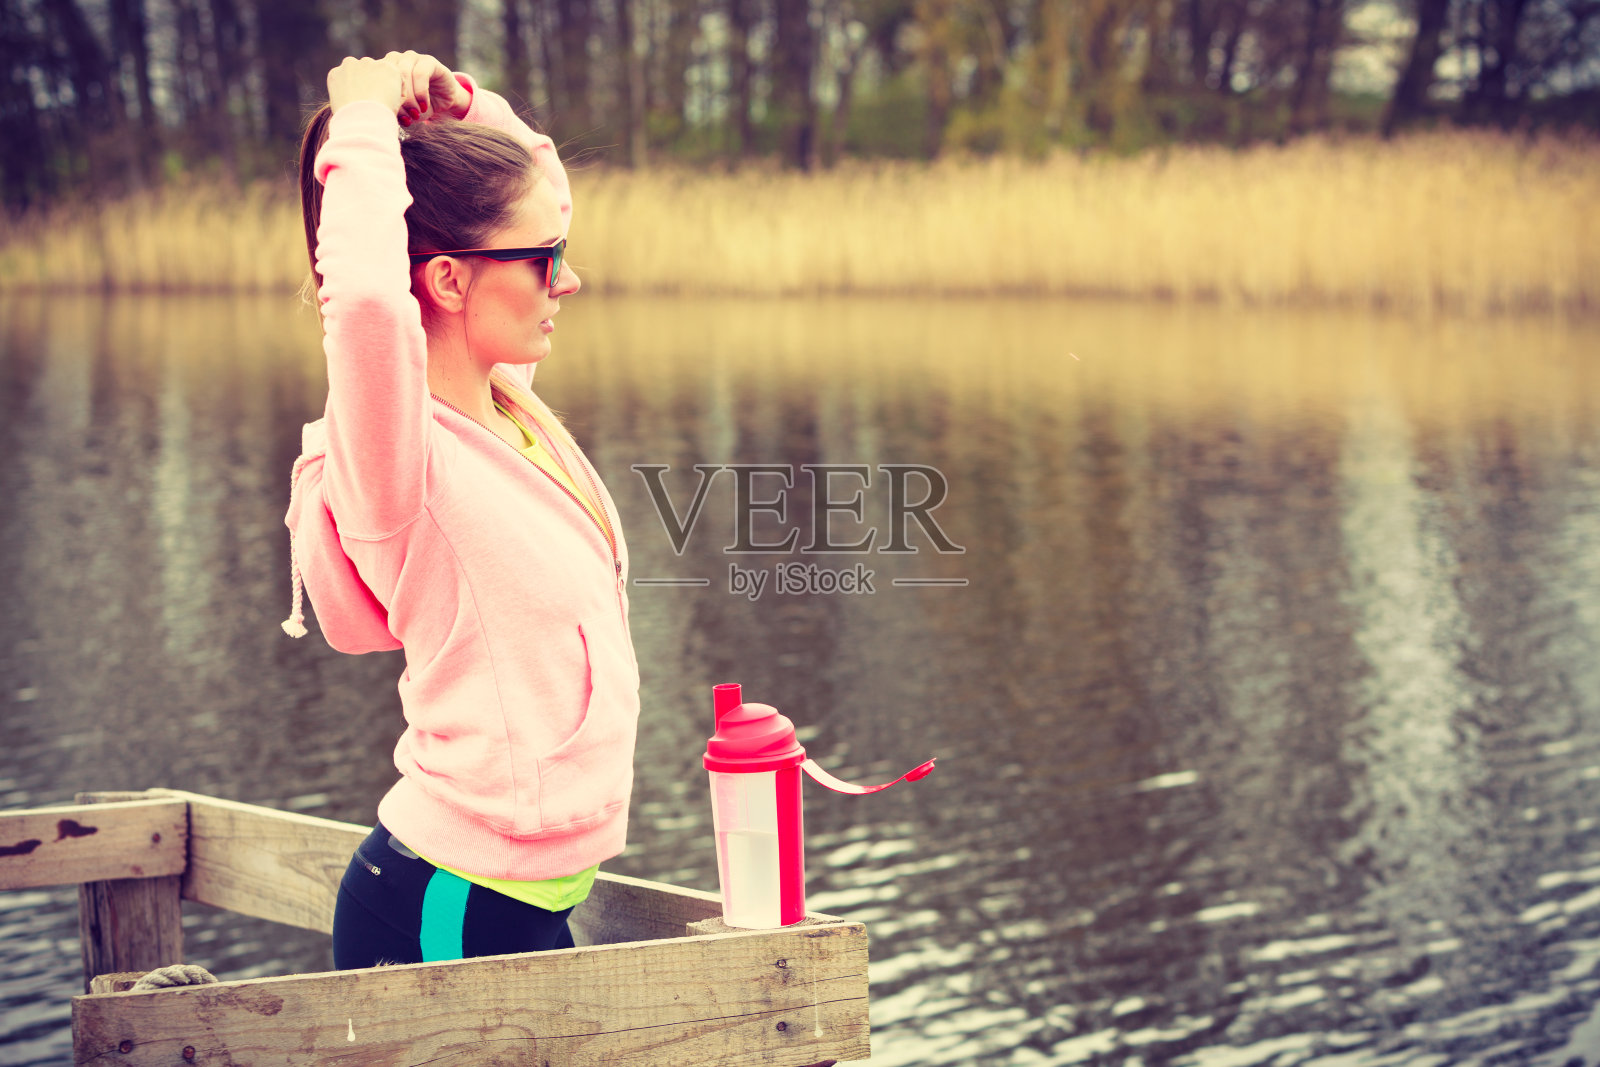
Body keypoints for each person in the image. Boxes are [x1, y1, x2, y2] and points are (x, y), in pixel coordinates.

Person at [281, 50, 640, 968]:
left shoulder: (502, 400)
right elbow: (365, 300)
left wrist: (470, 104)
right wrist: (359, 121)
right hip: (449, 903)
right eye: (544, 261)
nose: (568, 280)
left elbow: (539, 183)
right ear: (446, 282)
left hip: (521, 901)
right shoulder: (400, 457)